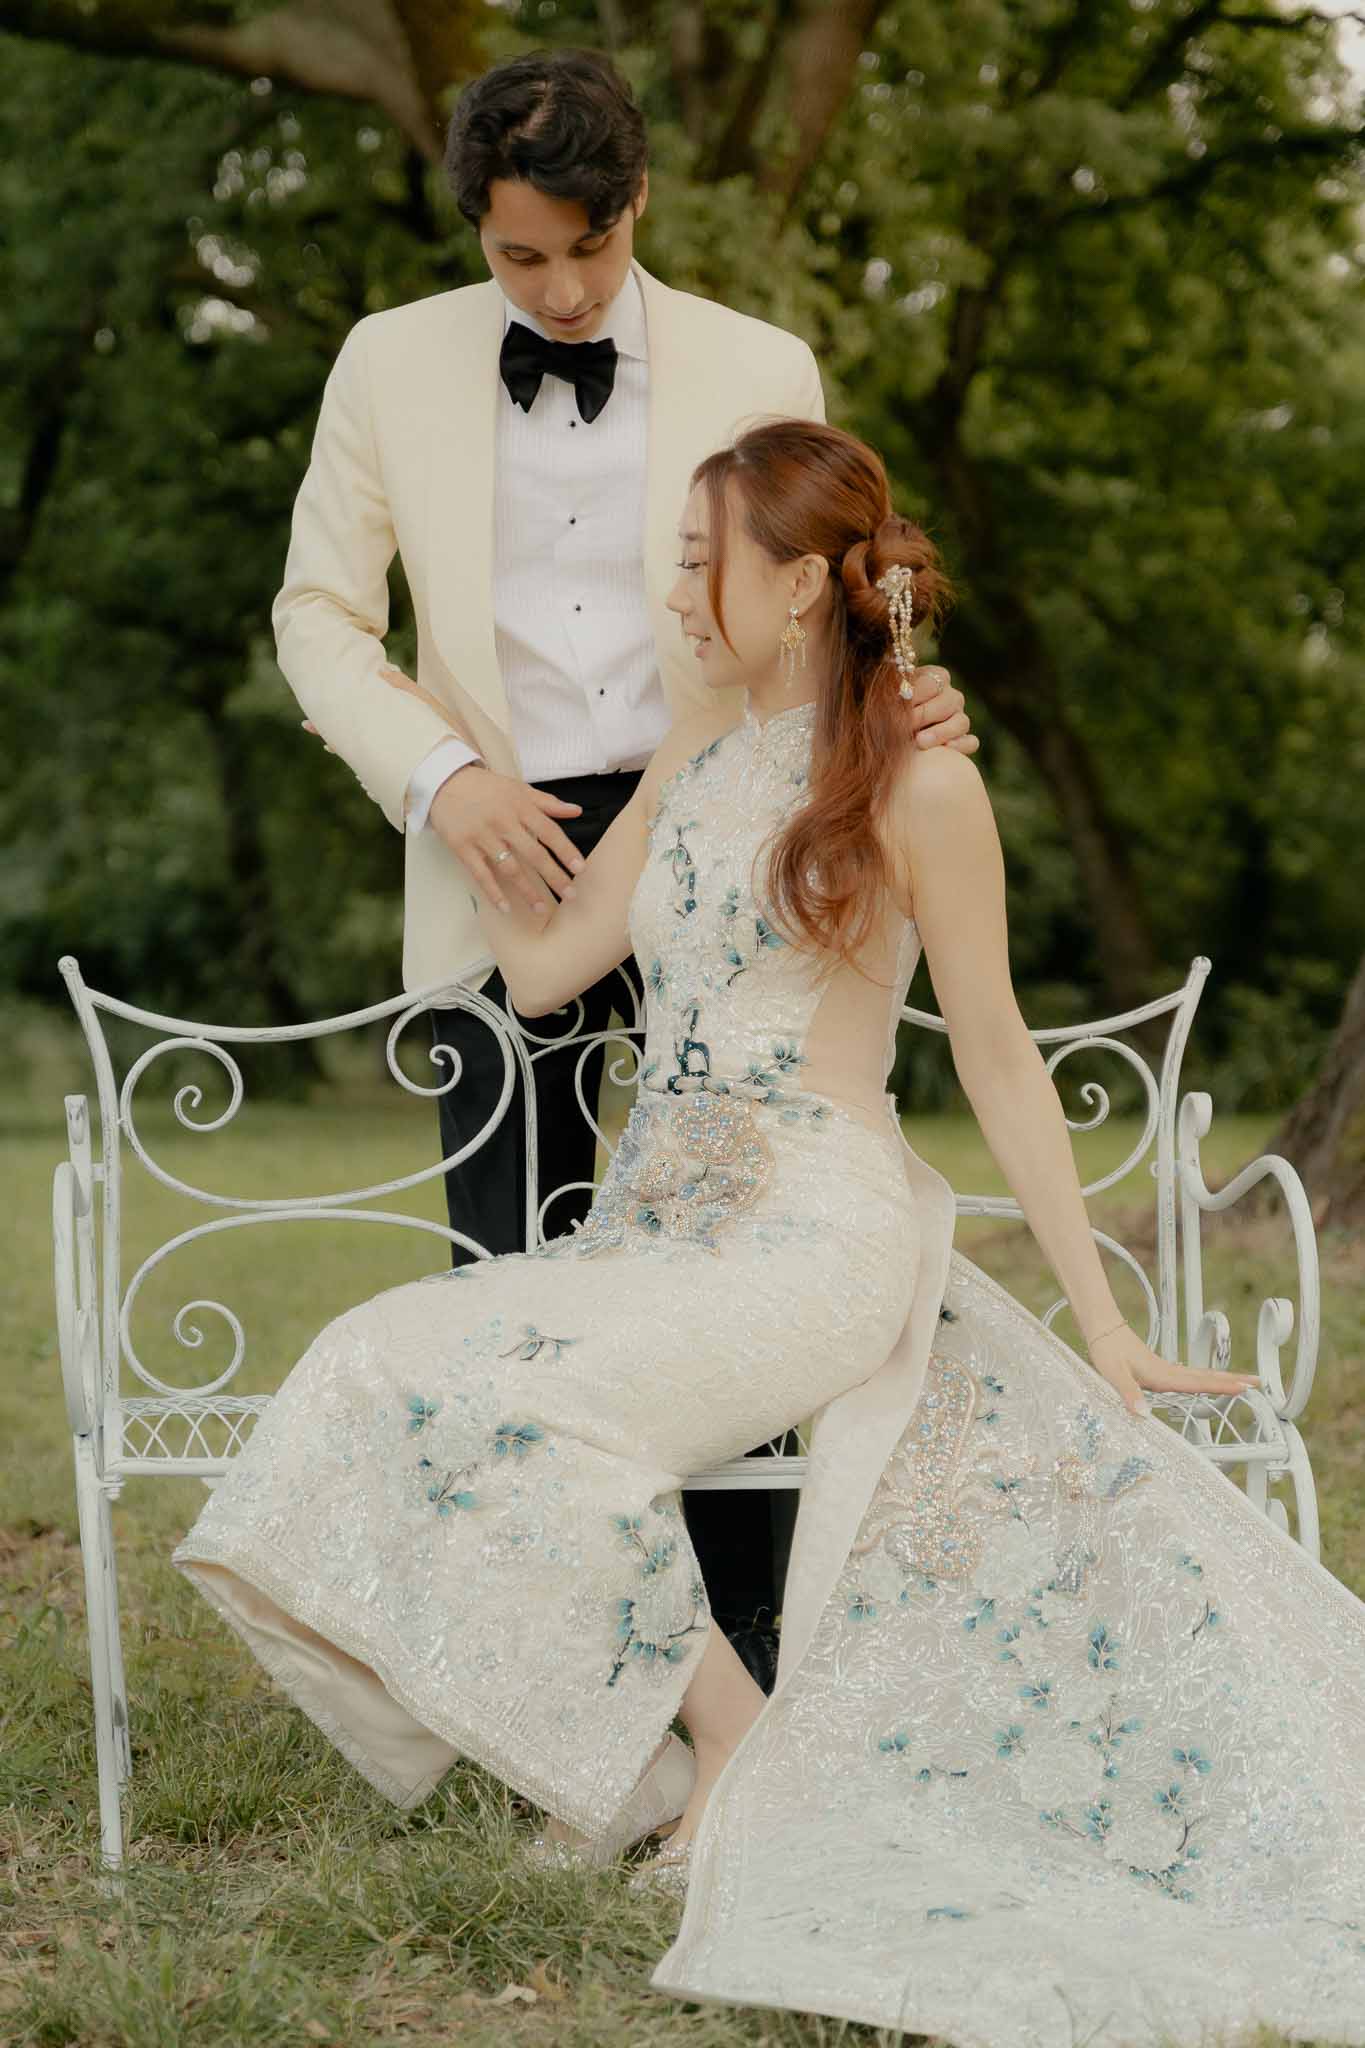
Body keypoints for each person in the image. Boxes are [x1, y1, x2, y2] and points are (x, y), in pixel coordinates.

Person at [176, 416, 1365, 2046]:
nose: (669, 591)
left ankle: (722, 1749)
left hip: (811, 1232)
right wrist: (455, 784)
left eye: (694, 560)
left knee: (538, 1417)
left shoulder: (924, 786)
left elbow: (1003, 1060)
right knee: (374, 1354)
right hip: (656, 1229)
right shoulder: (693, 756)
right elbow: (544, 975)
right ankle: (663, 1757)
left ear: (801, 584)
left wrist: (1104, 1322)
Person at [276, 44, 976, 1693]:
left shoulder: (758, 354)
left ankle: (741, 1659)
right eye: (522, 256)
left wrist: (908, 693)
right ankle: (543, 1674)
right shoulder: (387, 361)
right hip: (492, 854)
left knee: (720, 1271)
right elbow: (317, 616)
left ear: (635, 203)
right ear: (476, 231)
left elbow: (833, 576)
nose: (563, 288)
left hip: (721, 825)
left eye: (587, 248)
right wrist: (441, 781)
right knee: (512, 1268)